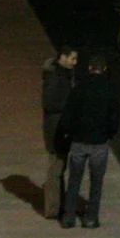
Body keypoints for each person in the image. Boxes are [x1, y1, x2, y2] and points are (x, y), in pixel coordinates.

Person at [54, 54, 119, 229]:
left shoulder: (79, 88)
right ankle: (91, 218)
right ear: (104, 70)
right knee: (96, 182)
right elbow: (114, 117)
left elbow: (68, 115)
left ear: (90, 68)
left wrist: (67, 133)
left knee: (74, 180)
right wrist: (109, 133)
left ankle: (69, 217)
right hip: (99, 142)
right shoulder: (109, 89)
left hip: (79, 141)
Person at [39, 47, 79, 220]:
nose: (74, 62)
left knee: (58, 168)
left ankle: (57, 205)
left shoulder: (61, 75)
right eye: (72, 58)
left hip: (59, 128)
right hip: (57, 131)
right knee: (55, 169)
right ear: (62, 57)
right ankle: (53, 208)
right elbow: (49, 103)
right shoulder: (57, 77)